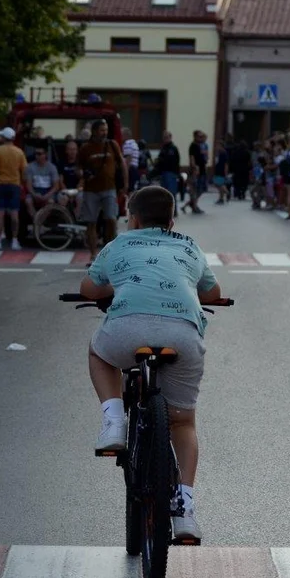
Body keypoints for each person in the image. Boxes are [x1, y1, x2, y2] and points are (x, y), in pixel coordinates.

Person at [79, 185, 223, 542]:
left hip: (127, 328)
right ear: (172, 221)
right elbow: (212, 294)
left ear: (134, 219)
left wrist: (118, 287)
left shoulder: (118, 245)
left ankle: (113, 422)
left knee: (99, 353)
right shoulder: (188, 245)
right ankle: (185, 509)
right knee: (183, 421)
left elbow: (89, 289)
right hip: (183, 336)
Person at [78, 119, 126, 258]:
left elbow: (122, 163)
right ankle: (93, 254)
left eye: (105, 130)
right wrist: (82, 174)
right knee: (91, 222)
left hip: (109, 188)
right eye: (101, 130)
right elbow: (78, 167)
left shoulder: (112, 145)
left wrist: (125, 184)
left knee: (111, 219)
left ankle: (108, 251)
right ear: (94, 131)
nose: (104, 133)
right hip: (90, 190)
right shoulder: (85, 148)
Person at [0, 127, 26, 251]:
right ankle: (14, 240)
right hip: (15, 185)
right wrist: (22, 181)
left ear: (4, 138)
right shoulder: (19, 152)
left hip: (0, 184)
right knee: (14, 214)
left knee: (0, 214)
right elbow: (24, 169)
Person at [23, 144, 61, 219]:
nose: (37, 156)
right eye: (36, 154)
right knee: (28, 201)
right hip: (35, 191)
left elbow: (56, 186)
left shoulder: (52, 167)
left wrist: (47, 195)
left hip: (48, 191)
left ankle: (40, 221)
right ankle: (36, 220)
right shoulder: (30, 167)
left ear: (45, 155)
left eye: (39, 154)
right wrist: (34, 194)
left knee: (50, 202)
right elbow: (29, 185)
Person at [184, 130, 207, 214]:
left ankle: (191, 204)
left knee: (201, 189)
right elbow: (192, 158)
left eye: (202, 136)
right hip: (196, 171)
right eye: (199, 136)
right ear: (195, 136)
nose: (201, 138)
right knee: (196, 189)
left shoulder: (199, 145)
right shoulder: (193, 145)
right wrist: (194, 168)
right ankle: (194, 206)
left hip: (202, 169)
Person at [155, 131, 181, 197]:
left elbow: (175, 161)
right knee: (164, 193)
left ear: (170, 138)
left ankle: (173, 207)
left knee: (171, 193)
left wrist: (176, 173)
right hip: (163, 173)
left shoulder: (173, 148)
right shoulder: (163, 148)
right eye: (164, 137)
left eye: (166, 137)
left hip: (171, 173)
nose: (165, 139)